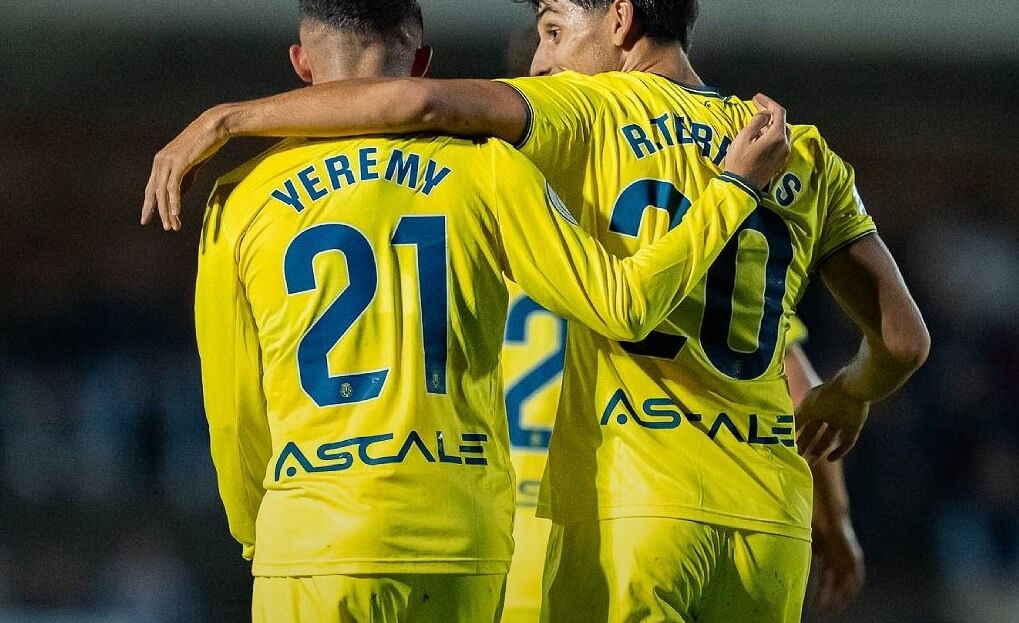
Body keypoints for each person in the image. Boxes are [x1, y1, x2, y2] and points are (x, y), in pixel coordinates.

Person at [143, 1, 929, 620]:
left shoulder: (574, 122)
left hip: (614, 522)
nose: (544, 56)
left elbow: (419, 105)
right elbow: (895, 340)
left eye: (554, 27)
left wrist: (232, 117)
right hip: (766, 522)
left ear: (618, 20)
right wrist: (850, 399)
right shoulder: (803, 150)